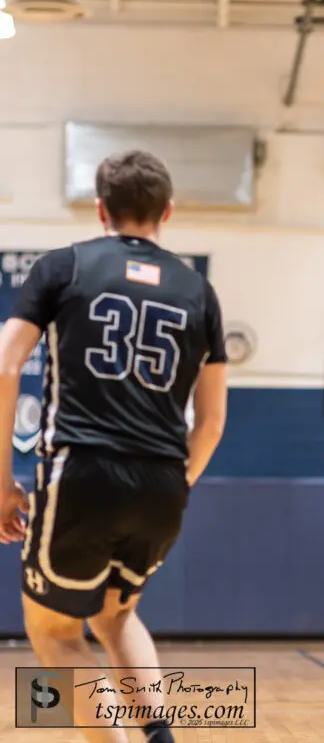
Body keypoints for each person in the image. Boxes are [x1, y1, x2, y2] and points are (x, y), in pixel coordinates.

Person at [0, 150, 228, 743]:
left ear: (100, 208)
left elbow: (5, 365)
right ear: (167, 212)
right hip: (163, 484)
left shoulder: (64, 267)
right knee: (114, 612)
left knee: (54, 633)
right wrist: (175, 484)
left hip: (81, 474)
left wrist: (1, 484)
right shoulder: (199, 291)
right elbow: (210, 423)